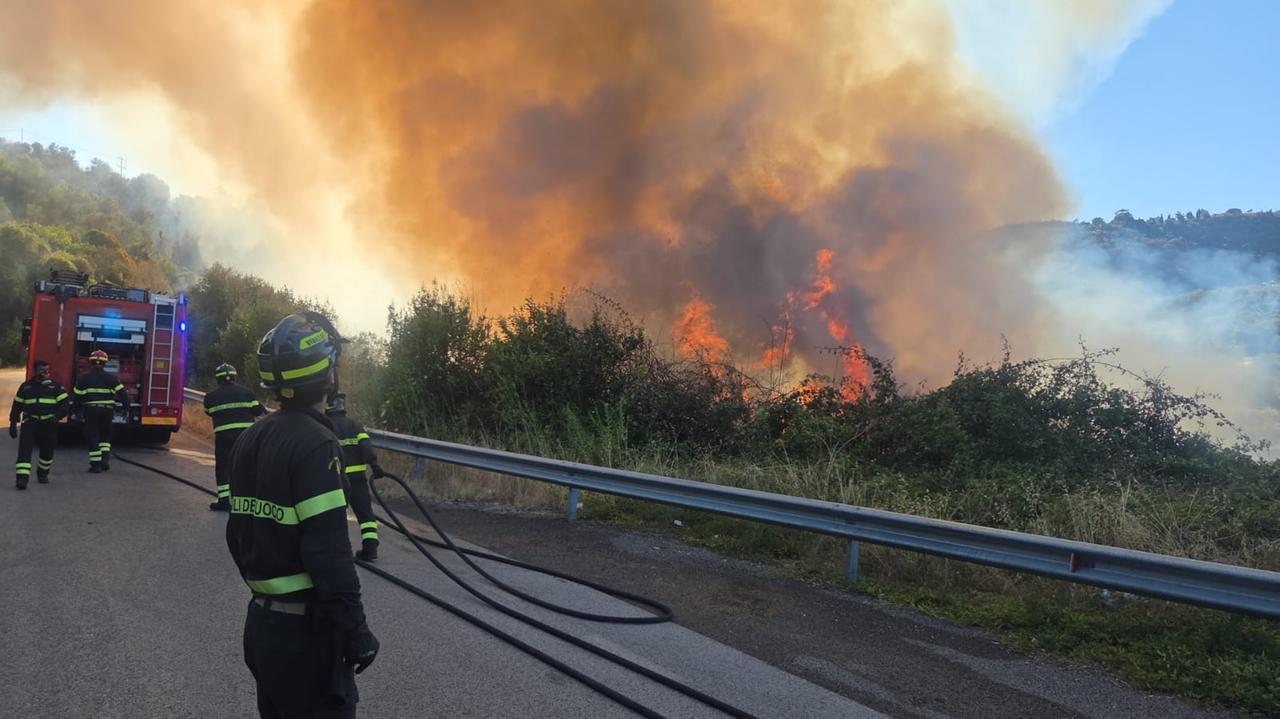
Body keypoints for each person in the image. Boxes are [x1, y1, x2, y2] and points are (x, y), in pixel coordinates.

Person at [226, 312, 378, 718]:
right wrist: (355, 629)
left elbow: (236, 533)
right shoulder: (317, 445)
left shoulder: (250, 438)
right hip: (305, 638)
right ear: (328, 375)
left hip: (262, 627)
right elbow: (328, 551)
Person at [325, 393, 384, 561]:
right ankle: (370, 548)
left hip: (337, 480)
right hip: (358, 479)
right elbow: (366, 447)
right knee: (366, 516)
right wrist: (374, 465)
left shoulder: (324, 427)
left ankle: (339, 551)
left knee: (336, 515)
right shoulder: (355, 425)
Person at [204, 363, 265, 512]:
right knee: (248, 466)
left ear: (218, 379)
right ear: (234, 376)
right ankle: (250, 500)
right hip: (246, 437)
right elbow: (258, 411)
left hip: (224, 438)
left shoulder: (210, 397)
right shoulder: (247, 393)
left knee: (223, 467)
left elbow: (209, 411)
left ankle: (224, 501)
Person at [8, 360, 69, 490]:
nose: (45, 372)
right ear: (35, 370)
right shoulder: (26, 387)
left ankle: (42, 474)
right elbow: (17, 406)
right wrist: (13, 423)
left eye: (47, 369)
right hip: (30, 423)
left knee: (47, 452)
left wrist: (57, 417)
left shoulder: (56, 387)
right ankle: (22, 480)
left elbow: (64, 405)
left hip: (49, 423)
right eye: (42, 370)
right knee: (24, 451)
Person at [73, 349, 128, 473]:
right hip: (107, 412)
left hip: (91, 411)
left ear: (91, 362)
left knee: (92, 436)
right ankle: (105, 461)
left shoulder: (83, 379)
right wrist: (126, 409)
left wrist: (76, 412)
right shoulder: (112, 379)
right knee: (105, 436)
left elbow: (77, 398)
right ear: (105, 363)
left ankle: (96, 465)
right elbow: (123, 395)